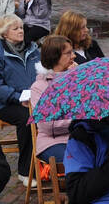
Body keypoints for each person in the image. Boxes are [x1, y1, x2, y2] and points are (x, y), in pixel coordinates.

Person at [0, 14, 39, 178]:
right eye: (15, 28)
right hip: (5, 103)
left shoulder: (34, 50)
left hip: (32, 99)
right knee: (28, 119)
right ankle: (26, 171)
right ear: (4, 33)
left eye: (21, 27)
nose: (20, 31)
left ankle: (46, 163)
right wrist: (18, 97)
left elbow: (44, 73)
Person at [29, 34, 77, 181]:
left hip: (80, 137)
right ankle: (76, 199)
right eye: (68, 53)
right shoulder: (39, 87)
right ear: (55, 57)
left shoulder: (77, 78)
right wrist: (78, 119)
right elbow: (48, 125)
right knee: (78, 162)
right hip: (54, 141)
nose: (74, 56)